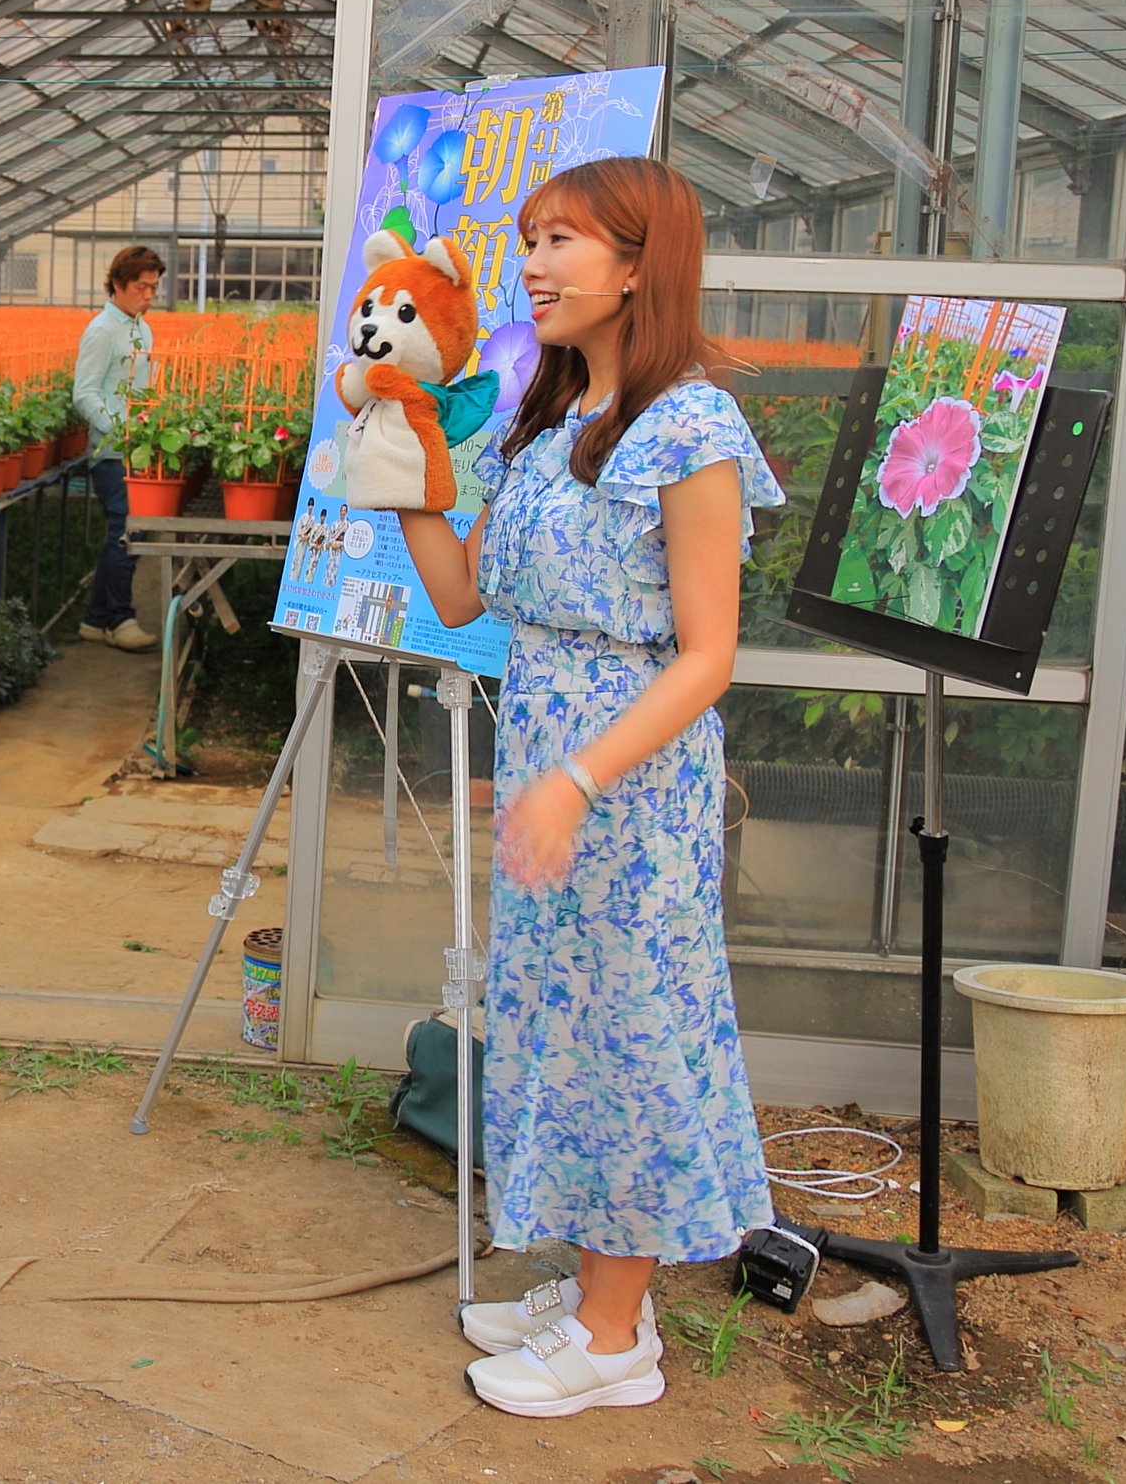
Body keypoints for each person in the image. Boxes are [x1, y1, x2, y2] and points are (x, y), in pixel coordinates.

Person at [388, 156, 780, 1418]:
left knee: (634, 1033)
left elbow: (710, 654)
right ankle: (606, 1287)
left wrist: (573, 777)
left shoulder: (694, 424)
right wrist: (405, 483)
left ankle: (615, 1340)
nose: (535, 265)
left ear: (637, 262)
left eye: (561, 240)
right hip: (557, 764)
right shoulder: (551, 423)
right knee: (570, 1028)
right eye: (529, 239)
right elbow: (463, 600)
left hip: (631, 783)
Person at [72, 244, 161, 651]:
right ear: (119, 285)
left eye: (153, 288)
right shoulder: (102, 330)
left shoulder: (141, 328)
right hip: (111, 453)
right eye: (142, 287)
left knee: (126, 531)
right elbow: (84, 394)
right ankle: (120, 619)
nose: (148, 295)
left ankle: (96, 620)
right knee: (126, 531)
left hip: (136, 447)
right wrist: (120, 430)